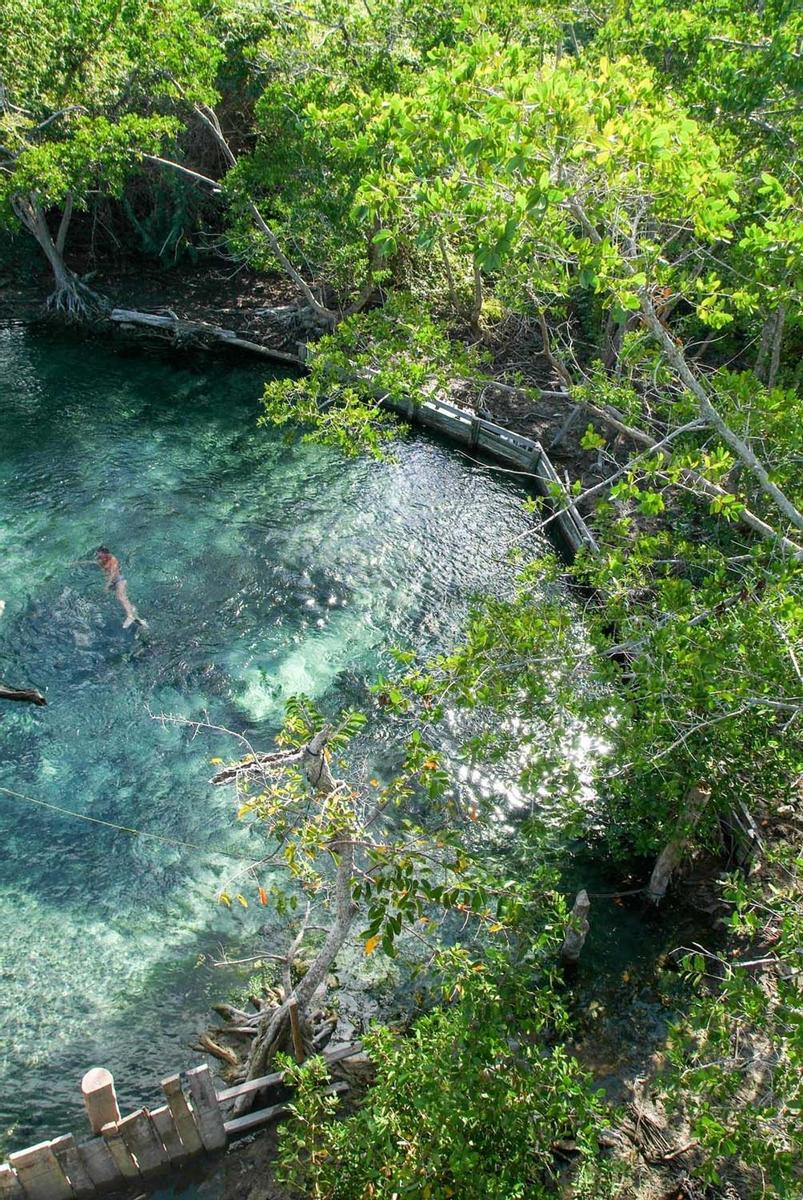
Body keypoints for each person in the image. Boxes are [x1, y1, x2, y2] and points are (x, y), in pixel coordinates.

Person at [95, 547, 147, 629]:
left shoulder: (113, 559)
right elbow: (99, 566)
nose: (97, 554)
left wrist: (107, 585)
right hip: (114, 583)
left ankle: (130, 615)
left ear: (104, 553)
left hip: (119, 580)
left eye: (99, 553)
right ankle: (139, 620)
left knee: (120, 596)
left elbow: (112, 573)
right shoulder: (102, 560)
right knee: (122, 598)